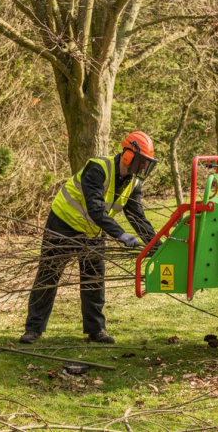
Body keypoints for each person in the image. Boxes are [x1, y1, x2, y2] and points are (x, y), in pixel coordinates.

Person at [19, 131, 159, 344]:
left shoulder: (133, 184)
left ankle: (96, 330)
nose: (143, 168)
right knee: (49, 275)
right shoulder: (98, 168)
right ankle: (33, 329)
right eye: (141, 162)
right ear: (128, 156)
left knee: (94, 279)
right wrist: (120, 234)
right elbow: (96, 209)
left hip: (93, 232)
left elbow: (138, 218)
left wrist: (156, 246)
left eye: (146, 164)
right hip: (63, 225)